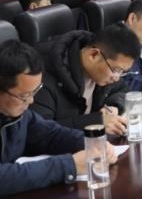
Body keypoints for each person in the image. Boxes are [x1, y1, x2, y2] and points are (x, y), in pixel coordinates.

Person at [0, 40, 118, 195]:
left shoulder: (21, 113)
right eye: (24, 95)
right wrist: (70, 165)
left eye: (35, 91)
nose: (31, 101)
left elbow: (51, 135)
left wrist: (91, 144)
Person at [32, 24, 138, 135]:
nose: (116, 78)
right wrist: (96, 122)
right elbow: (39, 132)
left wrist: (113, 106)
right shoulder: (43, 74)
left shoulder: (103, 70)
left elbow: (122, 89)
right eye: (116, 70)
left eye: (122, 72)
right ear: (93, 55)